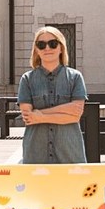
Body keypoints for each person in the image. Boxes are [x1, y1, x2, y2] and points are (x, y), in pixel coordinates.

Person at [17, 25, 88, 163]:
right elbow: (28, 117)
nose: (47, 48)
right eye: (41, 45)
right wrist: (65, 111)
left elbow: (76, 114)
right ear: (36, 50)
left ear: (61, 48)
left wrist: (40, 116)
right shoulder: (27, 79)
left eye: (53, 43)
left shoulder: (75, 77)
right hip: (35, 153)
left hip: (70, 153)